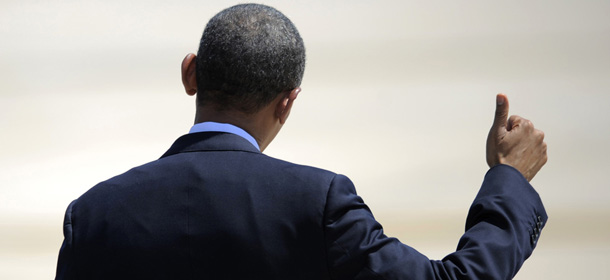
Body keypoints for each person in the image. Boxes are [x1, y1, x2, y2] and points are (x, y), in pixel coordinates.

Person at [55, 3, 548, 280]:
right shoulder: (316, 204)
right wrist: (509, 179)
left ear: (191, 74)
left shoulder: (94, 214)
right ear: (288, 102)